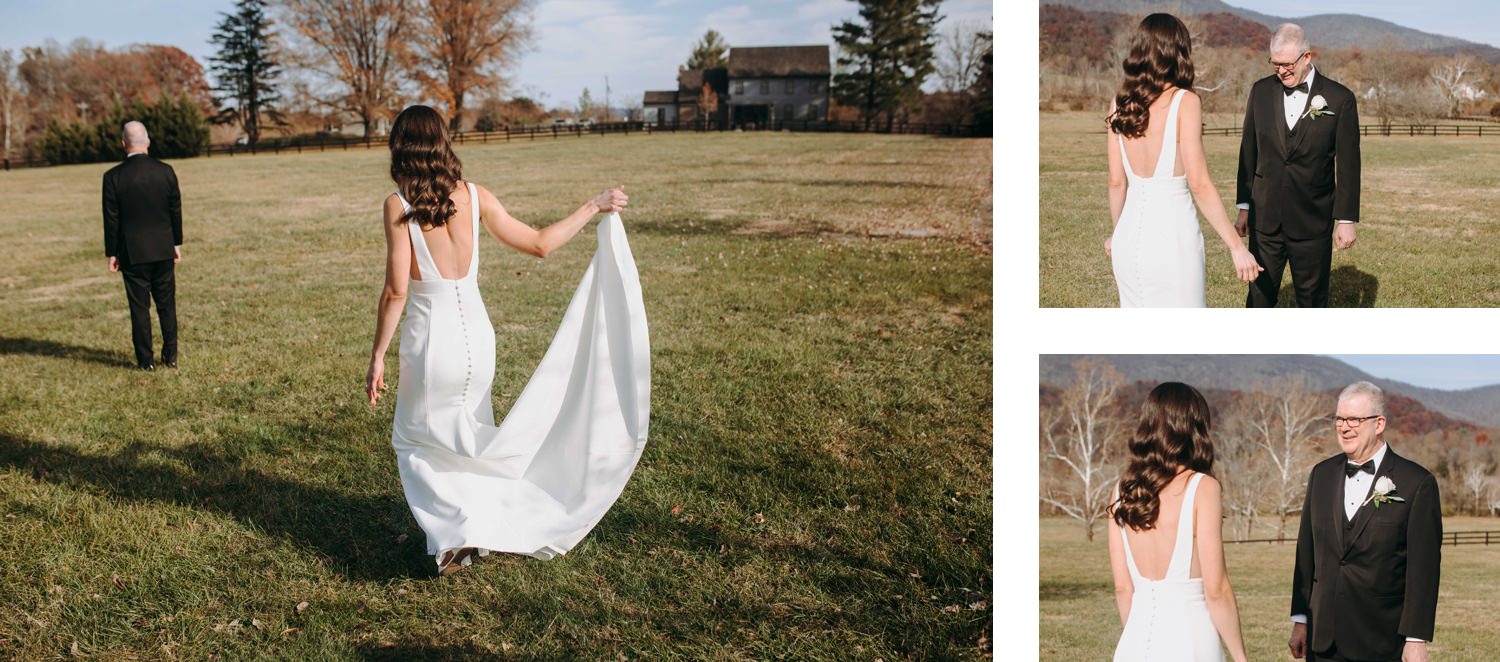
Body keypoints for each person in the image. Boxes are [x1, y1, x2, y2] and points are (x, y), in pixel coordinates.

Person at [364, 105, 650, 576]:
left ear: (401, 147)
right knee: (467, 438)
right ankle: (470, 529)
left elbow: (397, 291)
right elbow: (539, 243)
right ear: (441, 142)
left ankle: (455, 537)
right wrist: (592, 205)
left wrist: (377, 355)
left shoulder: (398, 204)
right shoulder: (474, 196)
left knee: (414, 441)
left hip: (432, 341)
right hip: (478, 337)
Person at [1105, 13, 1261, 308]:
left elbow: (1116, 182)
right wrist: (1236, 246)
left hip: (1127, 239)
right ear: (1178, 52)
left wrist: (1117, 234)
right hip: (1172, 239)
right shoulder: (1185, 102)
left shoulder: (1118, 103)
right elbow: (1200, 184)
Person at [1289, 382, 1440, 661]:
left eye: (1355, 419)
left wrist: (1416, 639)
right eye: (1340, 419)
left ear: (1379, 423)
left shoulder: (1416, 483)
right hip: (1323, 641)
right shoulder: (1321, 475)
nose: (1345, 427)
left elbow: (1423, 570)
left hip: (1382, 639)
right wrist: (1301, 619)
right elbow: (1306, 553)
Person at [1108, 382, 1248, 662]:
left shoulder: (1122, 489)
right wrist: (1241, 657)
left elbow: (1123, 588)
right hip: (1192, 643)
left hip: (1134, 645)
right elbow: (1216, 590)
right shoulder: (1202, 487)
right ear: (1194, 429)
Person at [1236, 23, 1361, 307]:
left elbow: (1349, 165)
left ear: (1307, 57)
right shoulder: (1260, 92)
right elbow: (1248, 152)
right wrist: (1244, 207)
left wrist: (1346, 219)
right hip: (1264, 219)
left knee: (1312, 301)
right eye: (1275, 64)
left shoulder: (1340, 99)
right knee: (1259, 298)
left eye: (1287, 64)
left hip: (1312, 220)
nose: (1281, 71)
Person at [103, 121, 182, 370]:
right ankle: (170, 356)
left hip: (132, 252)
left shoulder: (113, 177)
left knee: (139, 308)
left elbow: (111, 219)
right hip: (162, 248)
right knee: (167, 305)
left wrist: (112, 253)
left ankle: (145, 361)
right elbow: (174, 210)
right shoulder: (166, 171)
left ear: (123, 144)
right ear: (148, 141)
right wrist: (176, 243)